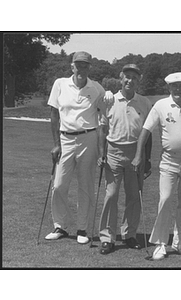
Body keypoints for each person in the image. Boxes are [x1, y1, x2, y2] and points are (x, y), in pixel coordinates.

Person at [132, 72, 181, 260]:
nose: (178, 89)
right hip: (169, 160)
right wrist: (139, 156)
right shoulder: (160, 106)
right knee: (165, 200)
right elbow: (146, 131)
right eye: (174, 86)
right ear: (169, 88)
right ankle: (160, 243)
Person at [45, 51, 112, 244]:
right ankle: (60, 226)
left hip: (88, 139)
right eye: (78, 65)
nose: (81, 68)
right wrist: (56, 143)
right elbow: (54, 115)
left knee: (86, 186)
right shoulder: (60, 84)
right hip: (65, 139)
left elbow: (106, 107)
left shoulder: (96, 87)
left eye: (85, 65)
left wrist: (108, 94)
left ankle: (82, 229)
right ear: (72, 66)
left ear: (89, 67)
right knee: (59, 185)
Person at [98, 64, 152, 255]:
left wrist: (147, 159)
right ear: (121, 78)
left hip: (136, 153)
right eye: (127, 76)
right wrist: (101, 153)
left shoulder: (144, 102)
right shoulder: (110, 100)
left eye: (134, 77)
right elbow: (103, 129)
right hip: (113, 152)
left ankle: (129, 234)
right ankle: (107, 237)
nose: (130, 80)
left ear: (139, 81)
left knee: (134, 196)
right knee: (111, 195)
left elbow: (148, 133)